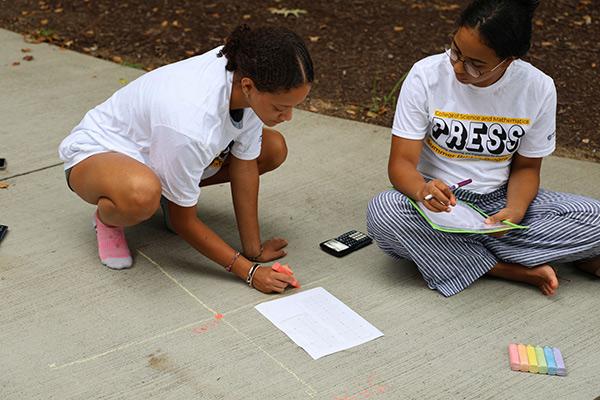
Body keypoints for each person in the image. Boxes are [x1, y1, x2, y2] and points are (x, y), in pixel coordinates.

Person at [367, 0, 600, 297]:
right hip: (438, 203)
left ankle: (450, 255)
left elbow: (527, 168)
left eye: (476, 64)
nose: (459, 68)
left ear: (510, 59)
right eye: (455, 51)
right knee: (385, 213)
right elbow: (400, 164)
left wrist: (514, 211)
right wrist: (423, 191)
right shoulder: (425, 76)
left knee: (594, 217)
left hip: (499, 201)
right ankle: (509, 268)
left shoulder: (538, 88)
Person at [58, 25, 313, 293]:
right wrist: (248, 272)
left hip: (163, 151)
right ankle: (108, 220)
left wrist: (254, 251)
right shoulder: (192, 123)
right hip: (97, 153)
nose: (288, 117)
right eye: (280, 108)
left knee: (272, 148)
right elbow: (183, 221)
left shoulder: (245, 72)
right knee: (143, 195)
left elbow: (245, 164)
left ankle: (171, 191)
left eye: (293, 106)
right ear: (248, 86)